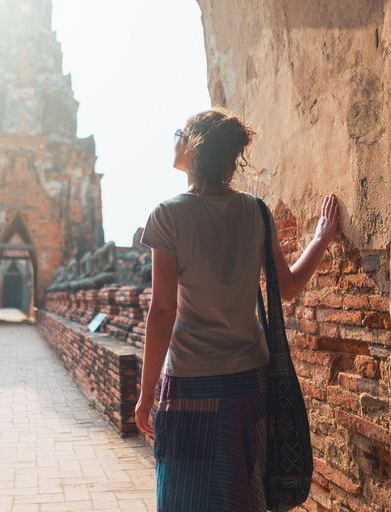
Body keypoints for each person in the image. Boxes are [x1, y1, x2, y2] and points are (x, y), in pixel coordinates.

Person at [136, 108, 339, 511]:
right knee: (242, 496)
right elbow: (289, 287)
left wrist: (145, 394)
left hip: (192, 383)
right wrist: (319, 240)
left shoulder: (168, 215)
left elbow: (162, 312)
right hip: (251, 381)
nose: (174, 138)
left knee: (185, 498)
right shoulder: (256, 211)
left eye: (179, 133)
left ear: (193, 148)